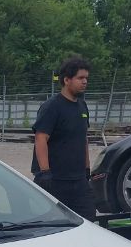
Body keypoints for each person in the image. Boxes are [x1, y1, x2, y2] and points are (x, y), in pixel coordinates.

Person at [30, 57, 96, 221]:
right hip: (55, 180)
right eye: (80, 78)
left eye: (86, 78)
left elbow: (83, 138)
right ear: (66, 80)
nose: (85, 81)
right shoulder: (52, 106)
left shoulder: (82, 105)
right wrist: (45, 173)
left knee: (88, 221)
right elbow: (40, 138)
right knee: (54, 225)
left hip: (79, 180)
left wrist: (87, 169)